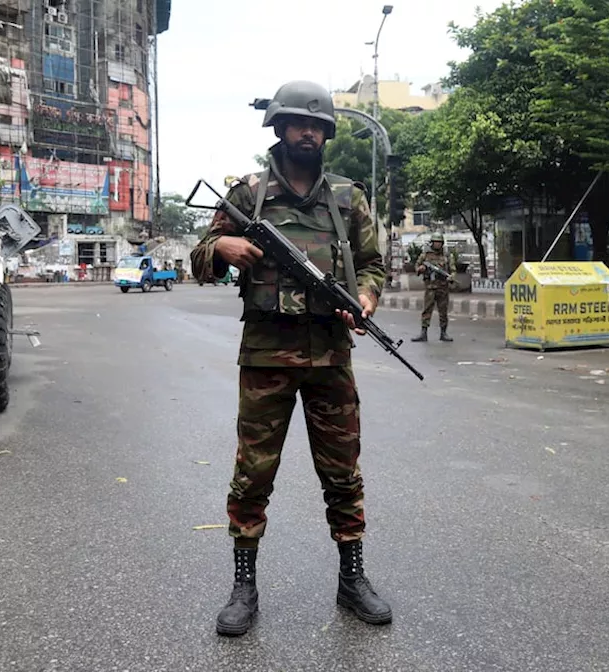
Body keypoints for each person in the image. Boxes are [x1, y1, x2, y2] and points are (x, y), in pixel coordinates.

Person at [189, 80, 392, 637]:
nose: (309, 132)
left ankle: (352, 579)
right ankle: (243, 585)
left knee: (342, 472)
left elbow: (375, 265)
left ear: (327, 133)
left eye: (318, 125)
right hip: (264, 359)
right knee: (252, 474)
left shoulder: (349, 198)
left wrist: (367, 298)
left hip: (331, 356)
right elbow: (198, 259)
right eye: (299, 123)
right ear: (278, 127)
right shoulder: (247, 194)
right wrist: (221, 249)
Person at [411, 232, 454, 342]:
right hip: (430, 287)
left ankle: (443, 333)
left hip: (443, 287)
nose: (437, 244)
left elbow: (453, 270)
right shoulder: (425, 255)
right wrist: (421, 269)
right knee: (427, 310)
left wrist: (451, 277)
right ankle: (423, 333)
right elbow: (416, 266)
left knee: (443, 312)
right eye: (435, 242)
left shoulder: (447, 256)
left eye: (439, 242)